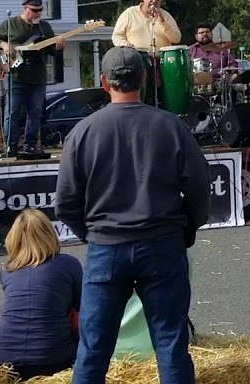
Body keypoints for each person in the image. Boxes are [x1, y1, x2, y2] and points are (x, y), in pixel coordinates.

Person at [55, 47, 211, 384]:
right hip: (163, 242)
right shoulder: (170, 126)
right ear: (146, 78)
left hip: (106, 247)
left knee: (94, 348)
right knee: (170, 344)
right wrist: (186, 229)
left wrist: (92, 233)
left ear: (103, 82)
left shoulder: (82, 133)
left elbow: (65, 203)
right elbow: (200, 188)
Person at [0, 209, 84, 380]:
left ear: (14, 239)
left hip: (3, 356)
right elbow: (83, 307)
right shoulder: (69, 264)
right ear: (49, 234)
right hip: (52, 357)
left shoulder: (7, 270)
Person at [0, 0, 59, 157]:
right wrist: (5, 44)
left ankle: (30, 145)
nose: (38, 14)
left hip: (38, 77)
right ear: (25, 8)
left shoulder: (44, 27)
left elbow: (52, 51)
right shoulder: (11, 24)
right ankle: (10, 146)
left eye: (40, 10)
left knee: (35, 113)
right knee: (12, 112)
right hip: (16, 76)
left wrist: (59, 47)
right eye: (35, 10)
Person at [111, 0, 182, 52]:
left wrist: (163, 22)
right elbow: (117, 36)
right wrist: (127, 46)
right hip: (135, 59)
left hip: (161, 61)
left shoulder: (166, 16)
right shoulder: (129, 13)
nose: (154, 1)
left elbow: (176, 39)